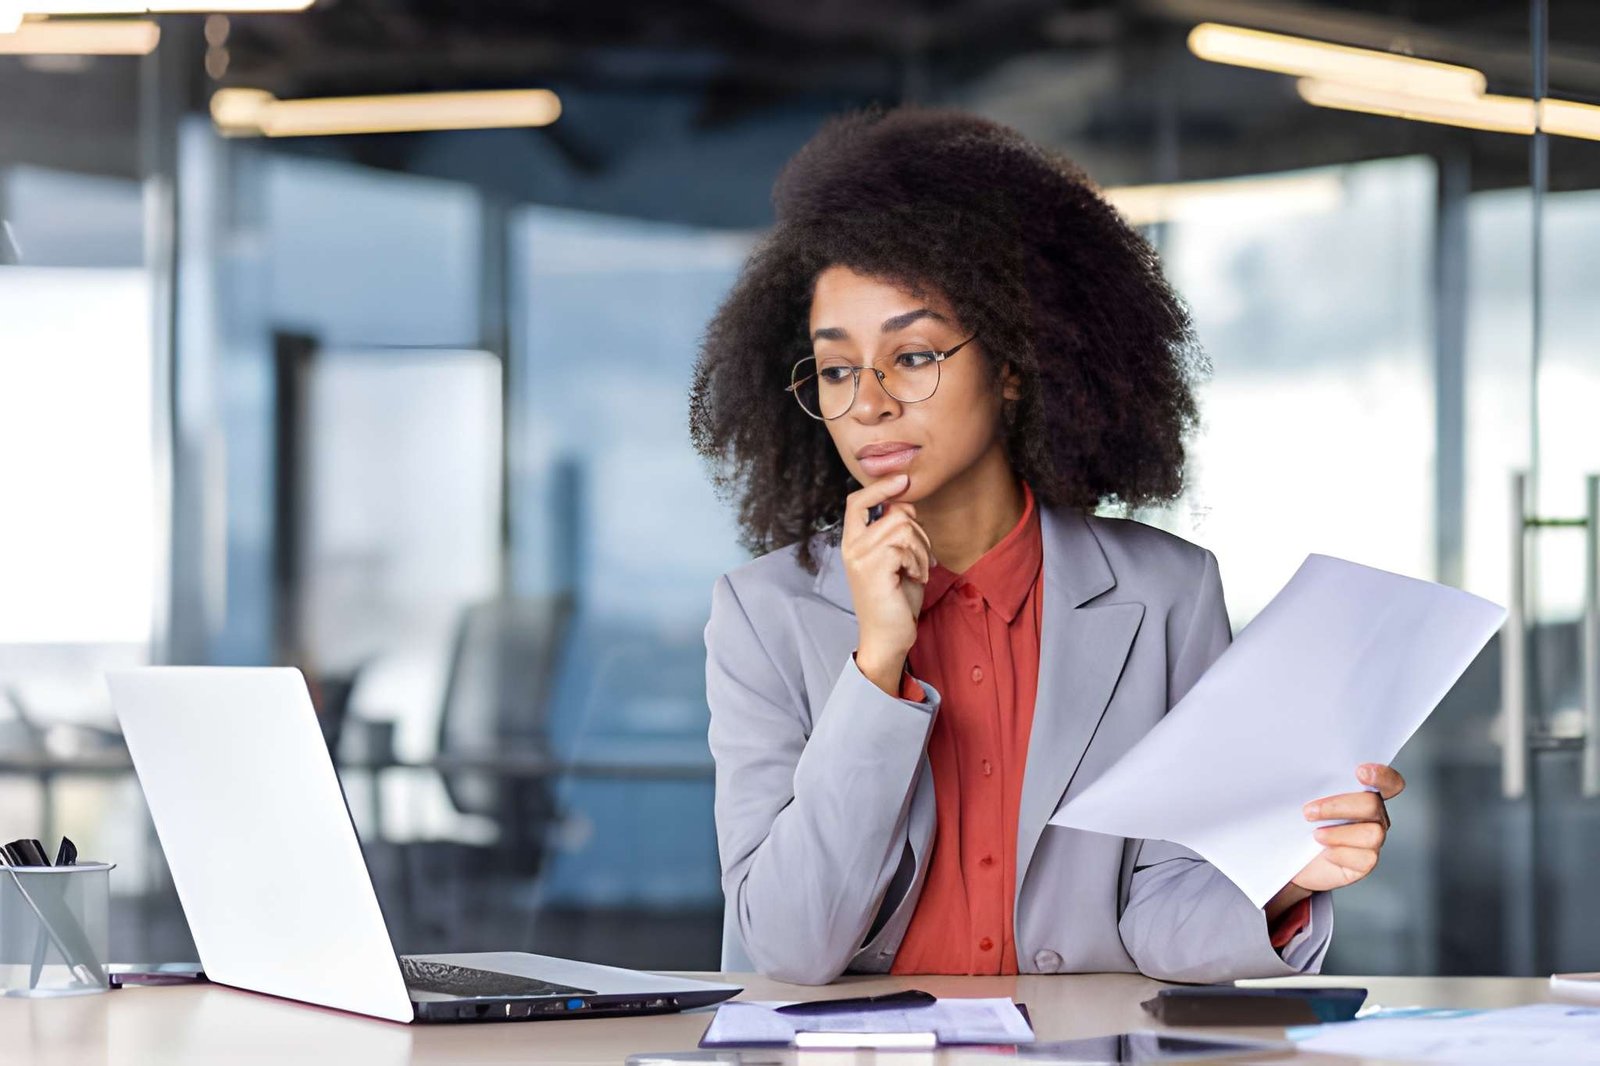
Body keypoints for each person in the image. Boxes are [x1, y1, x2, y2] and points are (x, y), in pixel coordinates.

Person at [687, 105, 1404, 985]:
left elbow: (1162, 908)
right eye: (837, 368)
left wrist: (1284, 877)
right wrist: (877, 661)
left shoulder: (1169, 592)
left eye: (912, 356)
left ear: (1016, 365)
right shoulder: (763, 613)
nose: (867, 402)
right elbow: (791, 944)